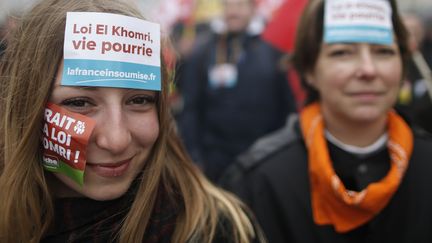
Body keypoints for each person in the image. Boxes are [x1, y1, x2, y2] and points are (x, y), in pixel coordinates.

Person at [0, 0, 266, 242]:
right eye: (78, 103)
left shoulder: (218, 230)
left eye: (139, 100)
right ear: (24, 105)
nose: (116, 141)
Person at [221, 0, 432, 242]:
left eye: (383, 52)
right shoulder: (259, 182)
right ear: (309, 70)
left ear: (403, 65)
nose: (368, 69)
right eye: (342, 52)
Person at [177, 0, 296, 182]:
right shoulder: (202, 52)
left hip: (260, 160)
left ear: (252, 9)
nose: (233, 12)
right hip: (213, 162)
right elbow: (190, 108)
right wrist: (194, 157)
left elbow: (287, 110)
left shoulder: (272, 54)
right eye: (229, 5)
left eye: (240, 5)